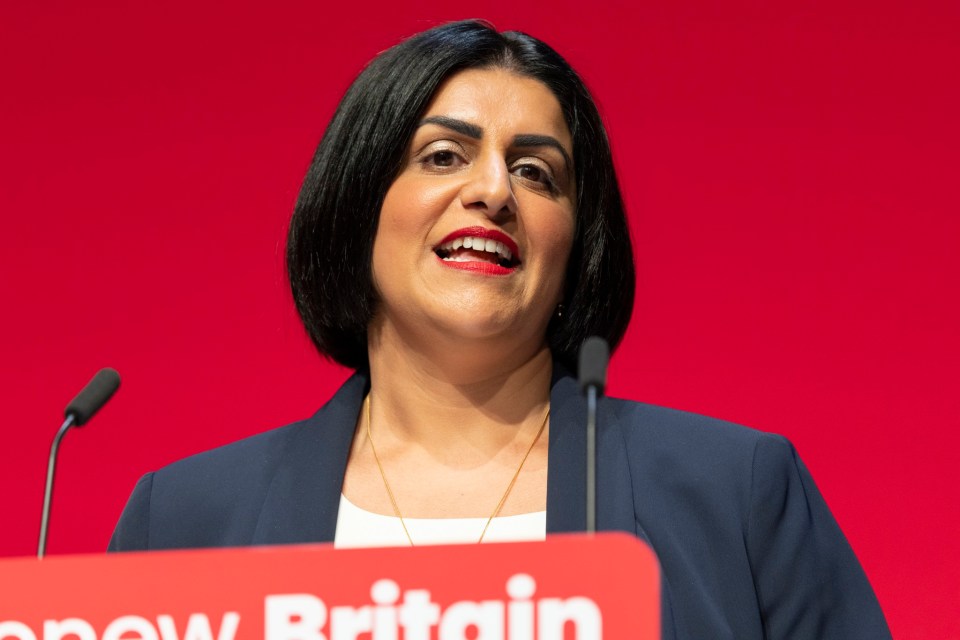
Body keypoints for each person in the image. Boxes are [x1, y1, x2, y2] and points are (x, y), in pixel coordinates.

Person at [109, 20, 891, 639]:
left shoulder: (734, 494)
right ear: (357, 203)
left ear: (577, 242)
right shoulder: (181, 520)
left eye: (536, 171)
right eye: (443, 155)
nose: (492, 191)